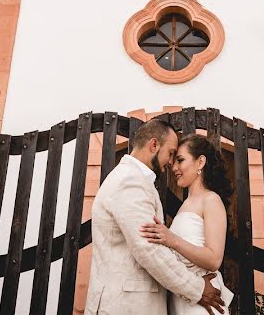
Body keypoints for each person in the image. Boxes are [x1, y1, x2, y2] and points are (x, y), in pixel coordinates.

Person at [84, 119, 225, 315]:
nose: (171, 163)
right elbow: (149, 250)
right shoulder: (129, 180)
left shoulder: (135, 179)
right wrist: (197, 289)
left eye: (179, 158)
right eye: (171, 154)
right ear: (154, 145)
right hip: (126, 306)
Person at [139, 133, 235, 315]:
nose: (174, 167)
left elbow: (214, 260)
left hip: (203, 303)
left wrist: (171, 239)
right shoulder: (186, 204)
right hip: (183, 297)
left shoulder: (211, 200)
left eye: (180, 160)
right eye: (174, 161)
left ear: (200, 162)